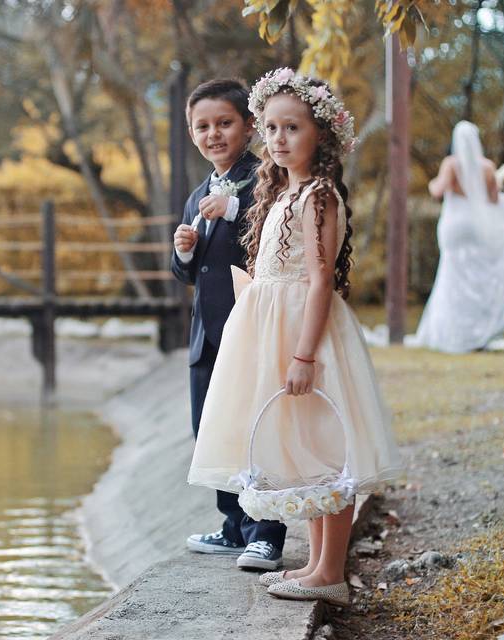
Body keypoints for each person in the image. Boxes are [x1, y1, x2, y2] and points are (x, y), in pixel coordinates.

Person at [187, 68, 403, 606]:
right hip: (274, 329)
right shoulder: (285, 190)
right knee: (305, 451)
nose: (279, 140)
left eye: (293, 129)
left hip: (306, 332)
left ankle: (331, 572)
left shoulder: (319, 195)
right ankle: (313, 563)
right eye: (273, 129)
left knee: (329, 452)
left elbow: (321, 277)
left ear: (321, 136)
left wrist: (304, 354)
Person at [171, 79, 286, 571]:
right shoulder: (198, 192)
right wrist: (183, 252)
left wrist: (237, 208)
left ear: (247, 126)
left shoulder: (267, 177)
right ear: (192, 133)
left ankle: (266, 534)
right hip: (207, 335)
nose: (213, 134)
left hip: (250, 327)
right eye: (203, 126)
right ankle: (233, 526)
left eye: (224, 123)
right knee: (212, 430)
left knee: (254, 430)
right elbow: (190, 273)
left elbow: (279, 235)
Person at [413, 121, 504, 353]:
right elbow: (493, 200)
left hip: (455, 226)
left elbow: (438, 190)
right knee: (476, 276)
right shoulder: (488, 167)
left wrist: (433, 183)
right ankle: (477, 331)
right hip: (477, 227)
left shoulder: (451, 164)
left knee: (451, 277)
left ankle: (451, 333)